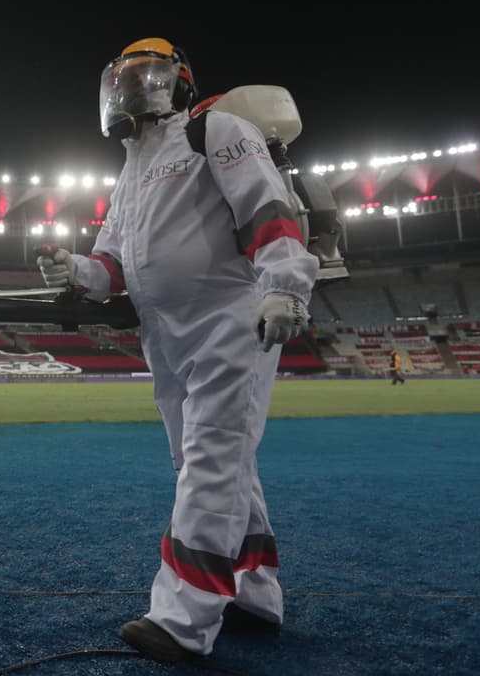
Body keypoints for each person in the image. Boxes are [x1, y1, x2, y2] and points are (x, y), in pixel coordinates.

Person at [38, 37, 318, 661]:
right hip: (164, 336)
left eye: (147, 76)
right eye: (123, 79)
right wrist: (72, 268)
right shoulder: (132, 169)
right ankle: (254, 593)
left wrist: (284, 286)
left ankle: (183, 617)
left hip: (230, 320)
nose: (130, 90)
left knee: (212, 460)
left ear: (179, 83)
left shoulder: (215, 128)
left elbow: (267, 208)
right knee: (213, 464)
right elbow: (113, 265)